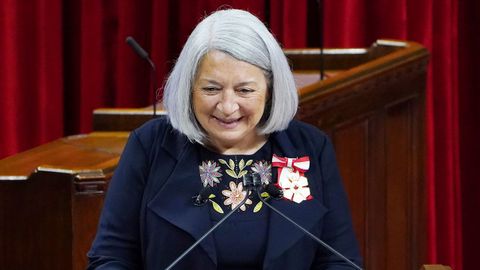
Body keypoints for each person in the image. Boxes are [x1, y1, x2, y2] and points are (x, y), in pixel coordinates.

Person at [87, 8, 362, 270]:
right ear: (189, 87)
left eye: (244, 90)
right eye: (211, 89)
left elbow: (340, 260)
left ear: (270, 90)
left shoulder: (309, 148)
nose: (227, 106)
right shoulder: (150, 146)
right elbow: (110, 257)